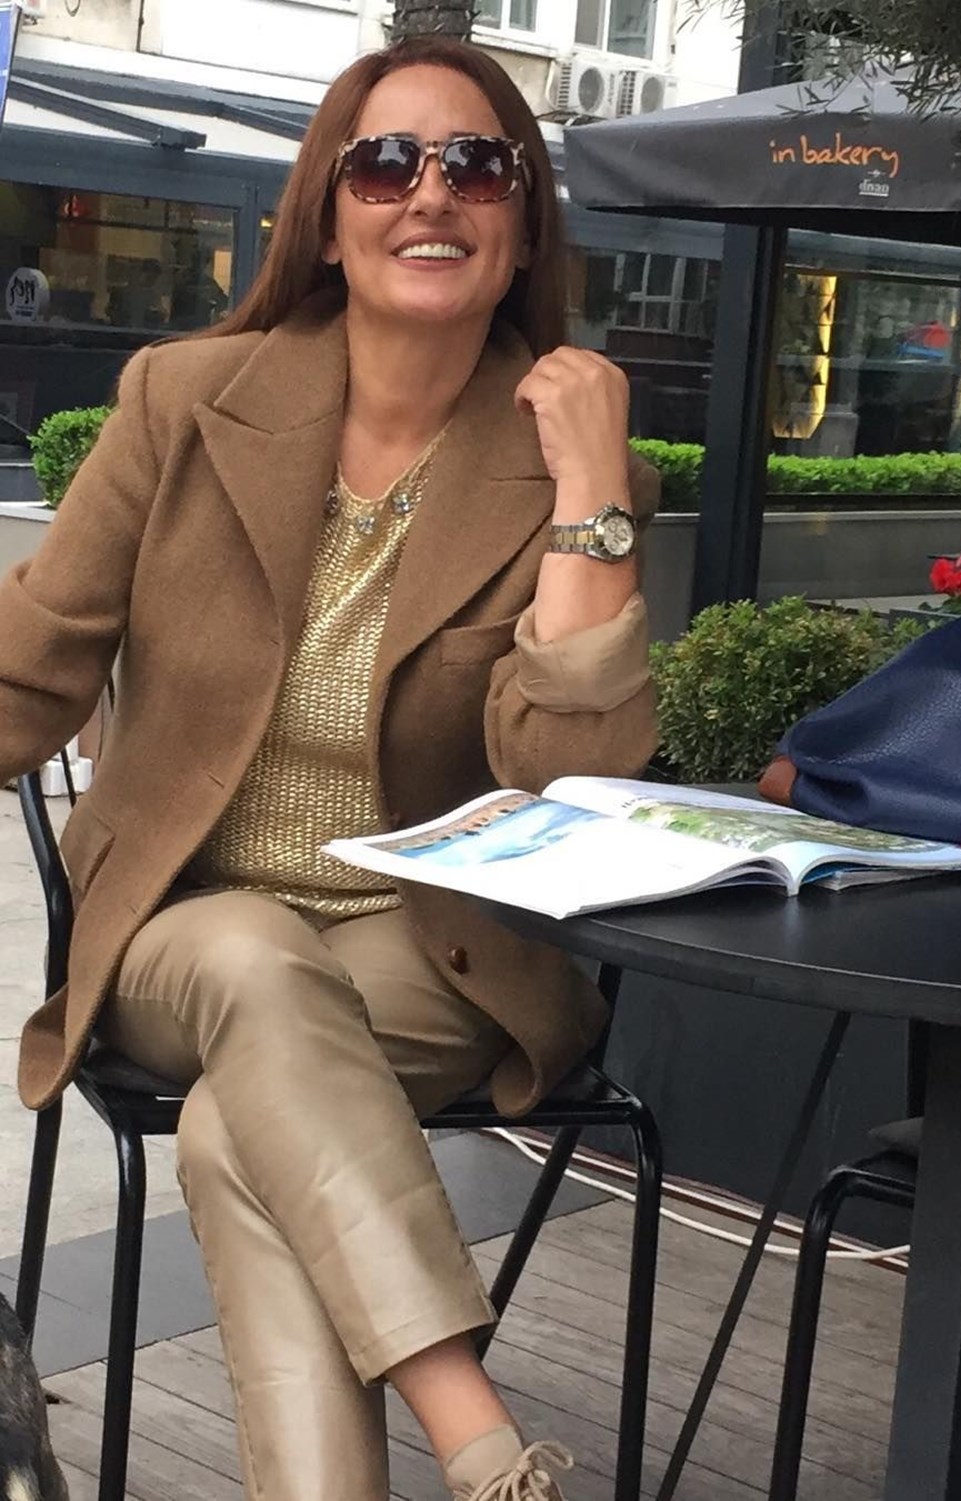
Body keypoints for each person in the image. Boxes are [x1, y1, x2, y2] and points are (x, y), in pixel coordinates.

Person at [0, 35, 659, 1501]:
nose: (431, 192)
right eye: (386, 163)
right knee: (250, 952)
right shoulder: (184, 400)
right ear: (326, 212)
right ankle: (483, 1446)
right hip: (182, 925)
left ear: (522, 225)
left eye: (476, 164)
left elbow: (571, 773)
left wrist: (592, 490)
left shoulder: (577, 468)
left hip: (433, 950)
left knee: (240, 1127)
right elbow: (29, 667)